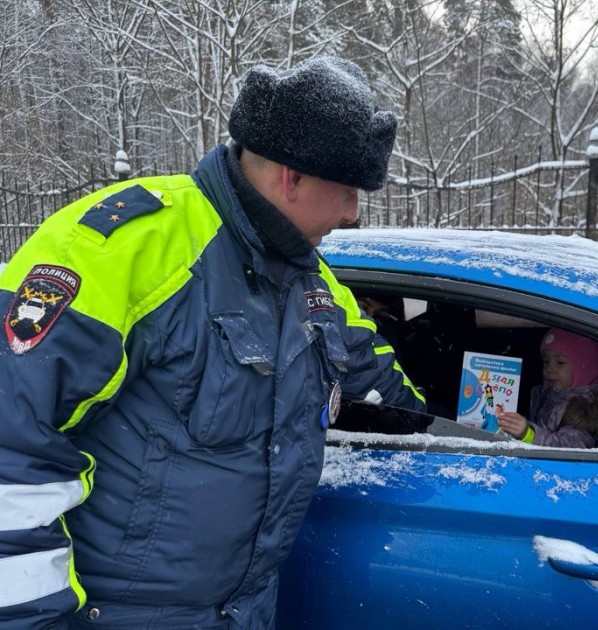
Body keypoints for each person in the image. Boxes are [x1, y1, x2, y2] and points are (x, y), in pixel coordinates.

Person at [0, 56, 425, 629]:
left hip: (245, 613)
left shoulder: (314, 285)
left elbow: (386, 398)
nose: (352, 212)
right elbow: (12, 439)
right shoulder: (130, 247)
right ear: (291, 177)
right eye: (347, 189)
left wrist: (497, 434)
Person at [497, 328, 598, 448]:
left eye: (560, 362)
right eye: (546, 361)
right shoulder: (551, 393)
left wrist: (529, 435)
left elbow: (568, 448)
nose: (549, 368)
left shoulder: (589, 410)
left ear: (586, 368)